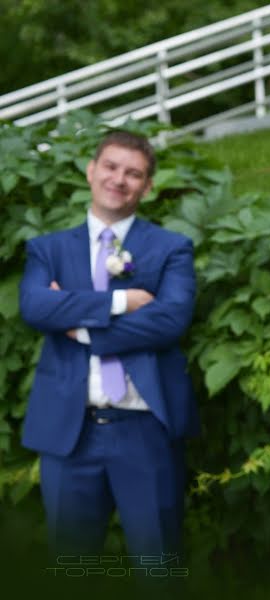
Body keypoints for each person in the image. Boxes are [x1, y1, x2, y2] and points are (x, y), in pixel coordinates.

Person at [18, 130, 199, 563]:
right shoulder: (49, 249)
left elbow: (170, 319)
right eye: (112, 167)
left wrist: (80, 326)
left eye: (134, 173)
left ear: (148, 187)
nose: (120, 179)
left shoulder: (171, 248)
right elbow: (37, 306)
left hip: (144, 430)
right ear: (91, 171)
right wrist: (123, 301)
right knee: (73, 573)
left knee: (159, 571)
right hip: (69, 433)